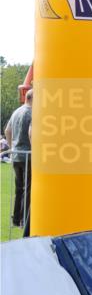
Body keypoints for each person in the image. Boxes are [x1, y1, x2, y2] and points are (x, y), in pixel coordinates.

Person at [4, 89, 32, 229]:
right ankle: (24, 220)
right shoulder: (32, 113)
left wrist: (11, 146)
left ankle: (16, 218)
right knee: (28, 189)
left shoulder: (16, 112)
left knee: (19, 189)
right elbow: (31, 132)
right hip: (28, 154)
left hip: (16, 155)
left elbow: (7, 130)